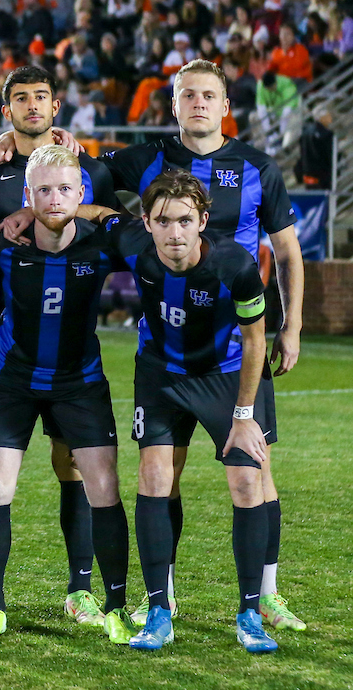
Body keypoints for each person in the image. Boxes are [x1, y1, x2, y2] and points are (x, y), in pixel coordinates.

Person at [0, 59, 306, 633]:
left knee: (254, 473)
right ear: (174, 104)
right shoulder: (148, 164)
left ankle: (266, 595)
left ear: (226, 105)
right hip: (162, 350)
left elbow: (286, 252)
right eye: (188, 95)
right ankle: (163, 598)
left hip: (231, 348)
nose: (199, 104)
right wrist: (21, 174)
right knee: (161, 474)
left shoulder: (259, 170)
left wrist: (294, 327)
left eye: (209, 95)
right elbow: (72, 177)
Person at [0, 67, 112, 627]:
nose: (32, 106)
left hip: (70, 346)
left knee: (73, 467)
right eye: (21, 98)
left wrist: (41, 210)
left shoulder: (83, 167)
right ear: (5, 108)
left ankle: (81, 589)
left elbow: (118, 224)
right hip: (2, 323)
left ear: (56, 105)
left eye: (41, 97)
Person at [101, 170, 277, 653]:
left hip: (226, 376)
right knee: (154, 477)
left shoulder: (235, 264)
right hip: (160, 374)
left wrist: (244, 416)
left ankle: (250, 612)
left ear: (202, 220)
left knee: (246, 481)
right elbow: (91, 212)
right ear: (147, 222)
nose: (174, 233)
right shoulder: (134, 243)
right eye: (163, 221)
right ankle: (159, 609)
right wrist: (35, 213)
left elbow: (256, 337)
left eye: (183, 221)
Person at [0, 145, 137, 644]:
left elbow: (139, 223)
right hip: (12, 381)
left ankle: (113, 605)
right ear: (27, 195)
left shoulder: (103, 244)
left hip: (79, 383)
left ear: (82, 193)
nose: (54, 197)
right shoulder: (0, 244)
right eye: (43, 189)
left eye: (66, 188)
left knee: (103, 488)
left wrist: (66, 208)